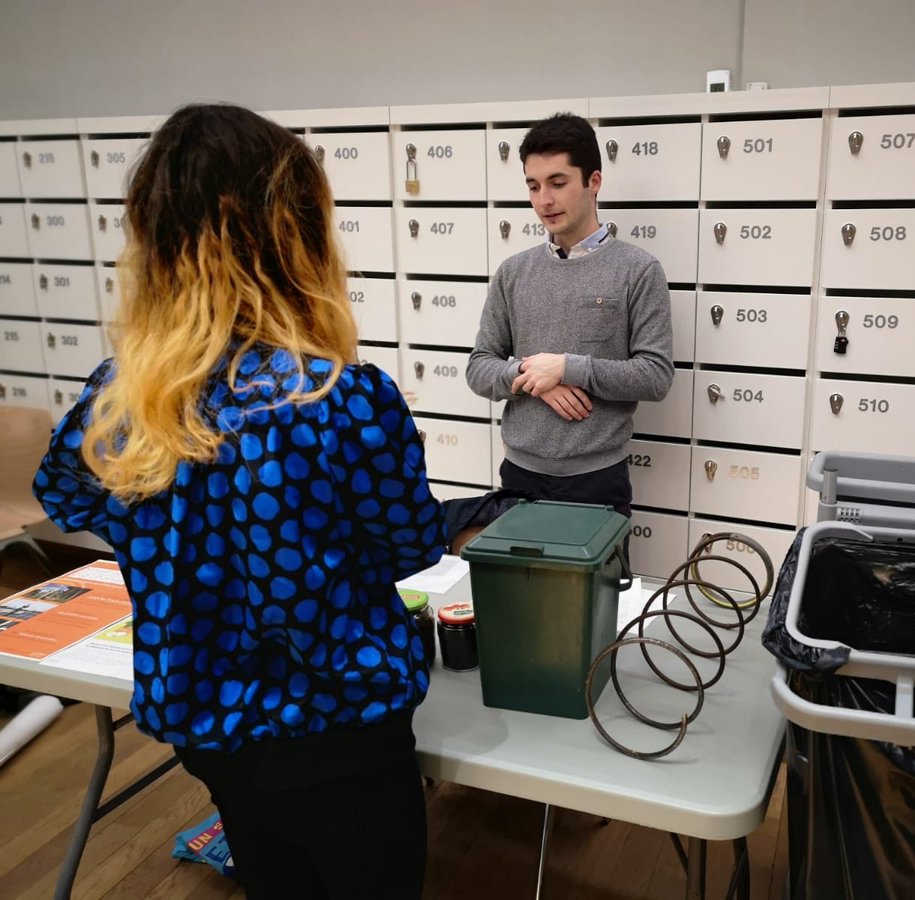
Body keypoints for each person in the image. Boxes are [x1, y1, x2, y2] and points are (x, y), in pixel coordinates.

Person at [33, 103, 443, 900]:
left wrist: (184, 533)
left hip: (208, 730)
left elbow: (68, 497)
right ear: (294, 236)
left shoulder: (119, 400)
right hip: (342, 735)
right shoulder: (340, 399)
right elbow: (410, 545)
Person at [466, 113, 674, 517]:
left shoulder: (639, 270)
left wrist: (566, 367)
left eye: (558, 183)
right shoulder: (513, 272)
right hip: (519, 474)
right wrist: (532, 377)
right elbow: (479, 367)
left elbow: (655, 375)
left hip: (597, 480)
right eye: (533, 186)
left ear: (593, 181)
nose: (544, 200)